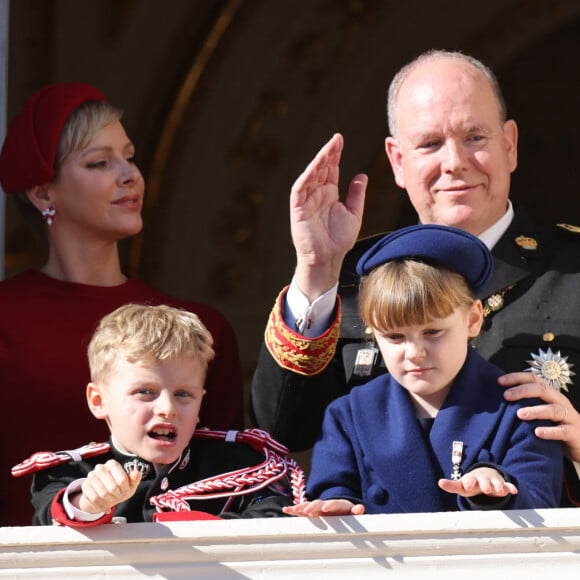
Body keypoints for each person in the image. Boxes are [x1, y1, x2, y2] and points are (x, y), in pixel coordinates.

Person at [250, 49, 580, 505]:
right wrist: (316, 268)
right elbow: (283, 430)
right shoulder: (352, 278)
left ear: (510, 144)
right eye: (429, 144)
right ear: (398, 160)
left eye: (475, 137)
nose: (454, 162)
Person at [0, 83, 244, 526]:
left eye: (129, 157)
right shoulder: (6, 319)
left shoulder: (203, 329)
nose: (129, 174)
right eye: (99, 162)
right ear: (42, 193)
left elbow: (231, 479)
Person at [283, 225, 562, 517]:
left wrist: (495, 494)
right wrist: (338, 508)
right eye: (394, 337)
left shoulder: (521, 410)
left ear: (473, 320)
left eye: (432, 331)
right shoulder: (349, 415)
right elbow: (332, 490)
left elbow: (544, 511)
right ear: (372, 332)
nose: (415, 352)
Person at [12, 304, 299, 526]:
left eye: (183, 394)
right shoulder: (67, 474)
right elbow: (54, 514)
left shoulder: (244, 467)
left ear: (201, 402)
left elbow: (278, 516)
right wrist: (89, 502)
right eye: (145, 392)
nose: (167, 408)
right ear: (98, 401)